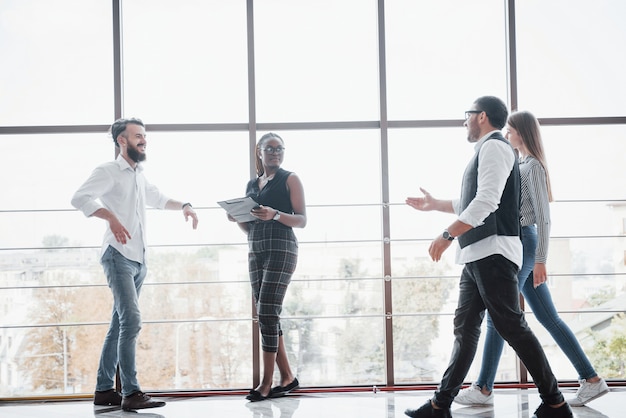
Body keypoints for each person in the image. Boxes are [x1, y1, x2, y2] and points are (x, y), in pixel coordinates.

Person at [404, 97, 572, 418]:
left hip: (493, 252)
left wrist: (447, 234)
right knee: (465, 328)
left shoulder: (494, 147)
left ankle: (555, 402)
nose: (464, 122)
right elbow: (471, 199)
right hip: (479, 253)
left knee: (512, 326)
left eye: (467, 116)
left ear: (481, 116)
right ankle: (440, 404)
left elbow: (486, 201)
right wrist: (435, 204)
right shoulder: (488, 150)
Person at [454, 110, 609, 408]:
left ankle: (484, 388)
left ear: (521, 133)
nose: (506, 135)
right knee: (547, 317)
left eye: (509, 131)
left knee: (500, 316)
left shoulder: (533, 166)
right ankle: (591, 380)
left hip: (526, 242)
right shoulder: (520, 164)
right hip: (522, 243)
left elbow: (543, 217)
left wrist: (541, 259)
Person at [71, 117, 198, 411]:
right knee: (132, 321)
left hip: (139, 259)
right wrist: (110, 217)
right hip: (117, 256)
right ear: (121, 141)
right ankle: (131, 392)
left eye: (144, 135)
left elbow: (158, 198)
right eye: (137, 135)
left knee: (119, 325)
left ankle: (104, 390)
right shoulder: (108, 171)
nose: (144, 140)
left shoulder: (138, 174)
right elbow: (79, 197)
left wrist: (185, 205)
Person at [228, 132, 306, 402]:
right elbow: (248, 226)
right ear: (259, 152)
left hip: (282, 247)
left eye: (279, 148)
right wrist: (236, 216)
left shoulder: (290, 179)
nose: (275, 152)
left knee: (267, 311)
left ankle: (266, 382)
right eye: (269, 148)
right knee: (267, 315)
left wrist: (275, 214)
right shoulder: (252, 184)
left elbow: (302, 220)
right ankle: (288, 377)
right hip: (256, 248)